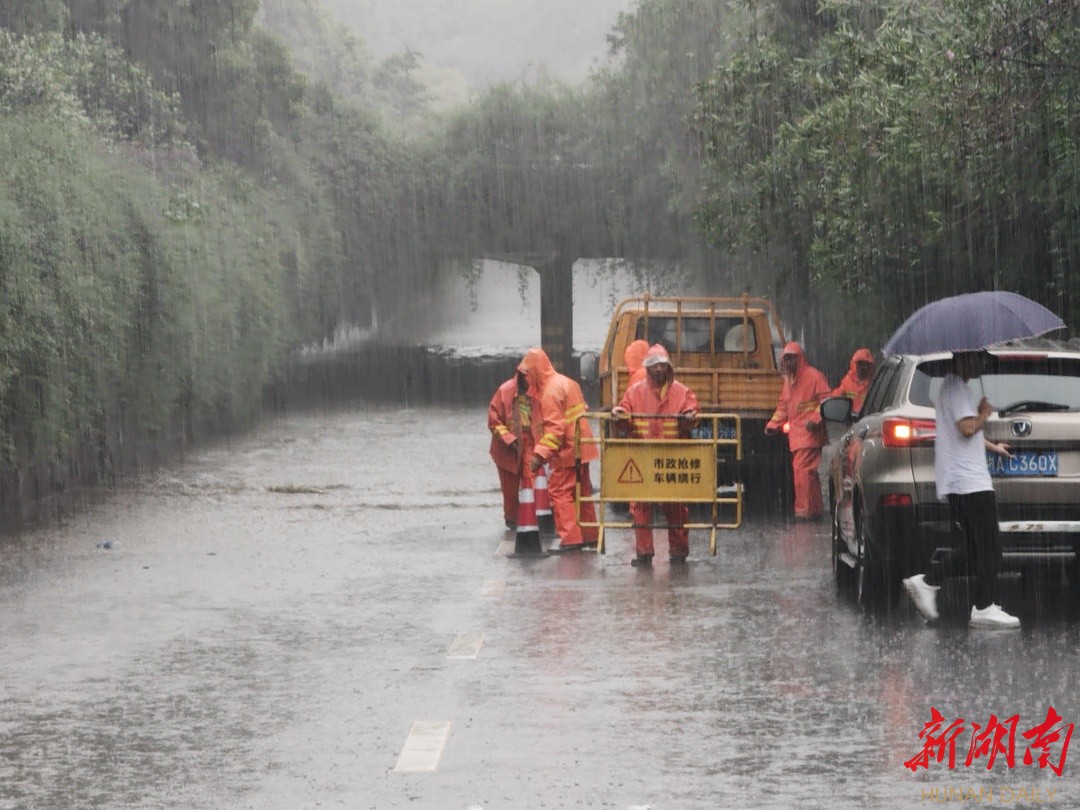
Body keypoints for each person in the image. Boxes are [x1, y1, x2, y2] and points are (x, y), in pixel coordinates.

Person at [902, 351, 1019, 629]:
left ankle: (929, 581)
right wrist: (984, 414)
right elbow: (967, 428)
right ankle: (983, 607)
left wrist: (993, 447)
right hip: (970, 483)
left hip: (961, 481)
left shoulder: (952, 387)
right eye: (977, 358)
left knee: (974, 548)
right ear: (964, 359)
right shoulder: (957, 388)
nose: (981, 364)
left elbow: (961, 434)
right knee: (989, 546)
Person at [611, 344, 699, 566]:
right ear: (647, 368)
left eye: (663, 365)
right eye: (655, 366)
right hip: (643, 458)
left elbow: (692, 411)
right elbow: (624, 411)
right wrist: (619, 414)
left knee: (676, 507)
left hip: (672, 459)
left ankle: (679, 552)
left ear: (668, 367)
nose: (659, 370)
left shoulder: (681, 391)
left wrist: (691, 417)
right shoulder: (635, 391)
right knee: (640, 507)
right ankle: (644, 553)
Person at [518, 348, 599, 552]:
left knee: (560, 492)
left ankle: (571, 539)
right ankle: (589, 535)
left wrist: (539, 455)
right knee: (582, 493)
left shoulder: (549, 393)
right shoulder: (567, 382)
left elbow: (555, 429)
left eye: (527, 373)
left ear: (536, 370)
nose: (526, 378)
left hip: (567, 450)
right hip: (583, 447)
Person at [765, 342, 831, 520]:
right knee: (809, 474)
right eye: (786, 359)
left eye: (791, 358)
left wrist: (815, 420)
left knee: (802, 472)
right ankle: (815, 509)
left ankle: (804, 511)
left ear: (800, 358)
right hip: (797, 436)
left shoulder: (814, 377)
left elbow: (826, 401)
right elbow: (783, 406)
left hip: (810, 434)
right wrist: (773, 424)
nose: (788, 363)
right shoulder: (789, 381)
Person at [487, 370, 537, 529]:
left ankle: (532, 516)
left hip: (529, 441)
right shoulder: (505, 391)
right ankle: (512, 521)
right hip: (508, 447)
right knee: (510, 488)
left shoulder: (537, 390)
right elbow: (493, 421)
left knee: (532, 479)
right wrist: (509, 439)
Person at [831, 348, 875, 414]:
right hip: (850, 418)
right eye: (860, 364)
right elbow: (838, 393)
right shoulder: (848, 379)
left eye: (865, 364)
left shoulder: (873, 383)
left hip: (867, 418)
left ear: (869, 366)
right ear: (856, 364)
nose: (862, 367)